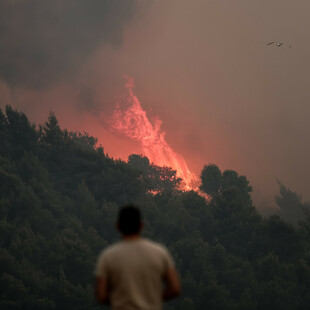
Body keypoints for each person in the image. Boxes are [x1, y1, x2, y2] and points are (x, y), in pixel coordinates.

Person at [95, 205, 181, 310]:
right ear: (141, 226)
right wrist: (152, 298)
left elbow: (101, 295)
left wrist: (119, 300)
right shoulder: (160, 252)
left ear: (118, 227)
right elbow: (175, 288)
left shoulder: (108, 256)